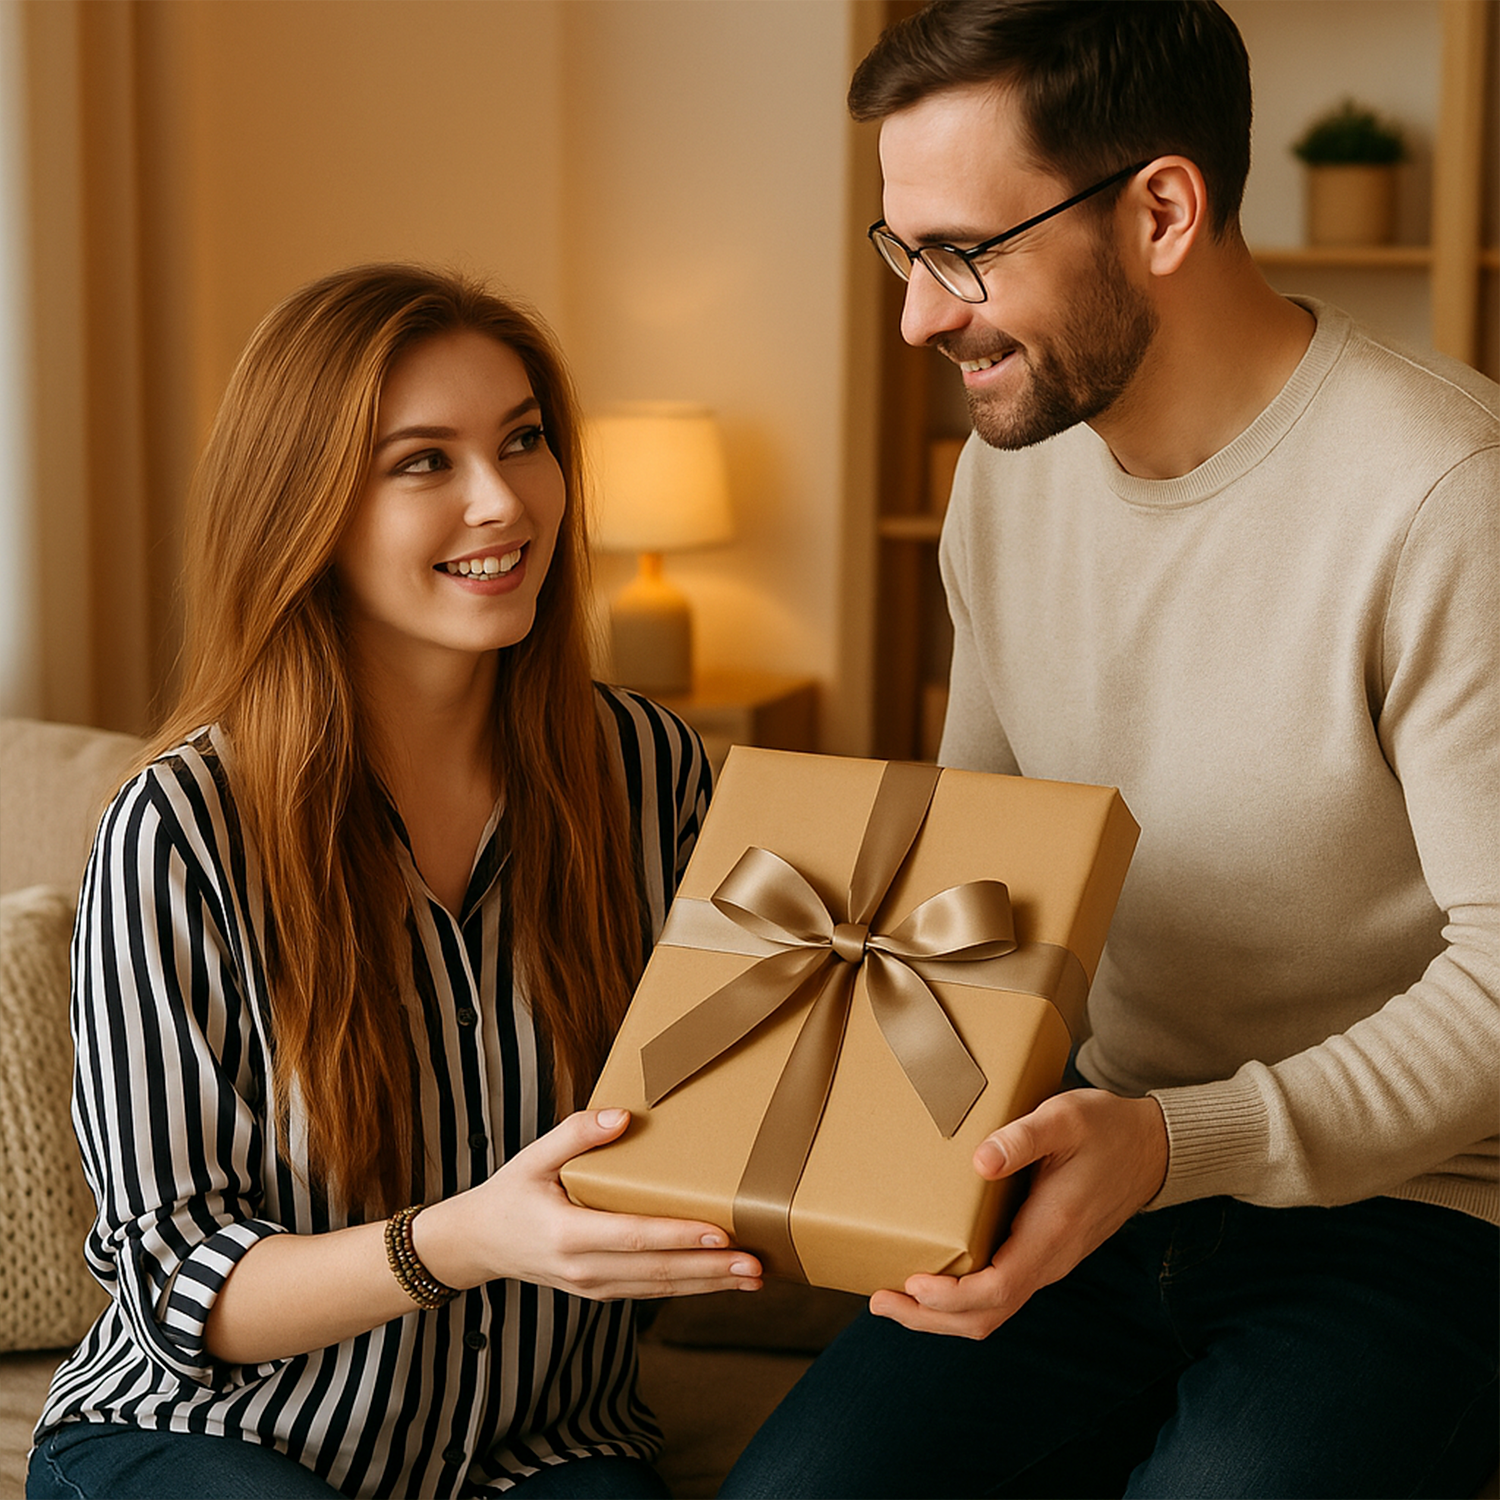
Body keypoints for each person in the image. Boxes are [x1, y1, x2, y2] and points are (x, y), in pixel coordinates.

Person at [720, 3, 1499, 1497]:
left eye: (966, 254)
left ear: (1161, 211)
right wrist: (847, 1156)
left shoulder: (1447, 497)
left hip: (1414, 1212)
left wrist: (1177, 1141)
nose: (920, 320)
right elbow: (989, 874)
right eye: (904, 254)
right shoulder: (1007, 481)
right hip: (1098, 1153)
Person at [27, 264, 764, 1500]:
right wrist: (464, 1240)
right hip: (213, 1437)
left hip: (546, 1446)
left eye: (523, 440)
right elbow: (174, 1285)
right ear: (302, 510)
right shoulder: (181, 830)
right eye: (424, 461)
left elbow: (738, 1109)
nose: (502, 500)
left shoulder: (650, 770)